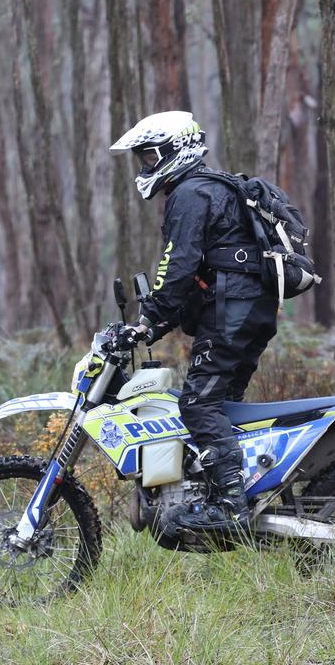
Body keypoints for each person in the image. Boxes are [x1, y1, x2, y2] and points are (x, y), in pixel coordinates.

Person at [109, 111, 278, 535]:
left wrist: (147, 322)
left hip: (233, 313)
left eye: (150, 157)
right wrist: (158, 321)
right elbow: (190, 275)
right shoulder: (212, 189)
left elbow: (177, 267)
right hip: (247, 311)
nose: (146, 167)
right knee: (222, 409)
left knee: (198, 404)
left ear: (176, 150)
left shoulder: (190, 195)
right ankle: (240, 495)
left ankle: (231, 509)